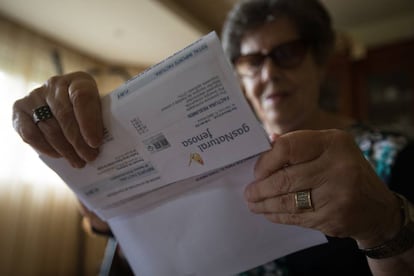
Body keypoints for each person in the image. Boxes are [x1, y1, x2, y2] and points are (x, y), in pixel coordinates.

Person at [11, 0, 414, 275]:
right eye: (252, 60)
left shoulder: (391, 157)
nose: (268, 74)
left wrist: (386, 226)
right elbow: (143, 234)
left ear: (320, 61)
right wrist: (99, 202)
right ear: (237, 74)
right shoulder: (211, 151)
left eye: (286, 53)